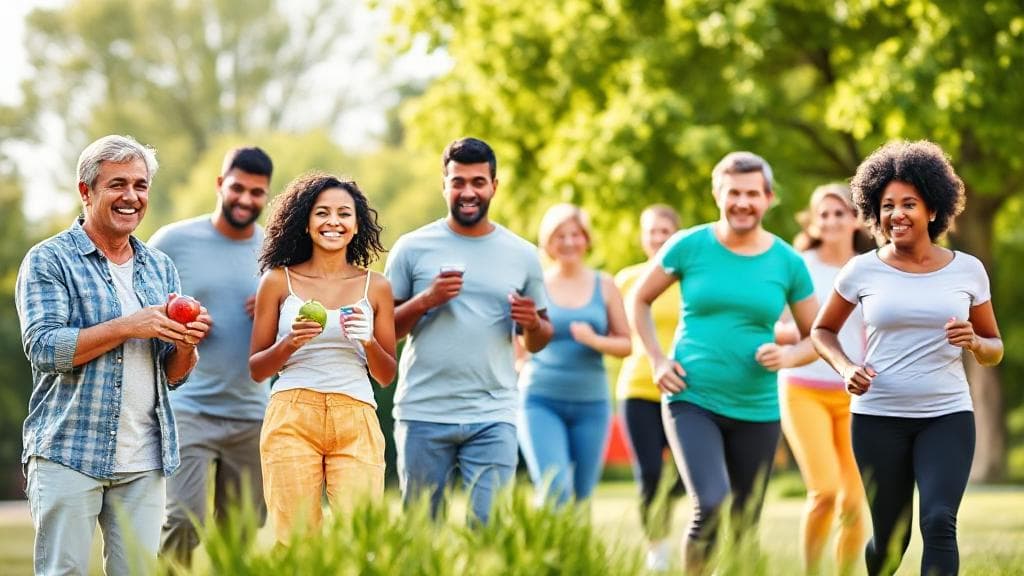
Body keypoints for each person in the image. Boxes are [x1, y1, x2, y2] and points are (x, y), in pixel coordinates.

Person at [15, 134, 211, 575]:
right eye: (117, 184)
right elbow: (45, 348)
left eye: (140, 186)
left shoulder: (160, 266)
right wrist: (128, 326)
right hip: (68, 450)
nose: (131, 197)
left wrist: (186, 344)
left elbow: (173, 375)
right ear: (86, 192)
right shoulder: (49, 260)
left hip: (144, 457)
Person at [811, 141, 1003, 576]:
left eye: (908, 203)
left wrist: (974, 341)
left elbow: (995, 348)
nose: (896, 214)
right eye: (887, 205)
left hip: (946, 415)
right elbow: (821, 331)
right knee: (890, 539)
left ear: (933, 210)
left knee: (938, 522)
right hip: (878, 416)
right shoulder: (861, 270)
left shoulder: (968, 270)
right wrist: (846, 368)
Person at [631, 151, 819, 575]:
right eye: (733, 192)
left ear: (769, 198)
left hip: (758, 406)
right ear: (718, 194)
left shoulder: (787, 261)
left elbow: (819, 335)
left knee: (745, 521)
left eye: (752, 193)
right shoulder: (689, 245)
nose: (742, 202)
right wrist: (658, 360)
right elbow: (639, 299)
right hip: (692, 396)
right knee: (711, 502)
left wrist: (789, 355)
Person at [384, 137, 554, 525]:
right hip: (424, 411)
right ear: (443, 185)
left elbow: (541, 338)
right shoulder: (411, 248)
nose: (468, 192)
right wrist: (426, 300)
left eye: (478, 182)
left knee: (489, 528)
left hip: (494, 411)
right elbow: (385, 333)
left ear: (494, 185)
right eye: (458, 181)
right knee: (422, 531)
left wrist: (530, 323)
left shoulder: (523, 254)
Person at [248, 172, 396, 544]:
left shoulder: (375, 287)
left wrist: (367, 342)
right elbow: (256, 368)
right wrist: (290, 344)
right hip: (292, 414)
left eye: (344, 214)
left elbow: (386, 375)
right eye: (322, 213)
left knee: (360, 538)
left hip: (356, 416)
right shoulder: (278, 281)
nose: (333, 222)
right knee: (295, 540)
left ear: (357, 224)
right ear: (305, 222)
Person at [150, 146, 274, 564]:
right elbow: (140, 308)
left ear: (266, 195)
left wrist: (278, 304)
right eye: (238, 187)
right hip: (188, 406)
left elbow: (304, 319)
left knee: (242, 530)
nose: (245, 199)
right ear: (221, 184)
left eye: (257, 192)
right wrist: (180, 327)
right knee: (182, 518)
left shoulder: (278, 253)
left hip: (252, 410)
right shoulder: (173, 240)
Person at [776, 184, 874, 575]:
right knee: (825, 491)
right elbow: (780, 323)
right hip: (803, 389)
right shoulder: (799, 265)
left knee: (853, 501)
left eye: (839, 213)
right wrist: (789, 336)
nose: (831, 221)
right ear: (813, 221)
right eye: (824, 214)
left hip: (855, 396)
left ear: (855, 219)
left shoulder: (872, 267)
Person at [516, 203, 631, 508]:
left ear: (586, 239)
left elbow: (626, 345)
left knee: (581, 496)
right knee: (556, 490)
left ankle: (573, 554)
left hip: (591, 403)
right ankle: (544, 549)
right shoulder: (535, 283)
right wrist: (520, 362)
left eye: (575, 234)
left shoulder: (605, 285)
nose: (568, 242)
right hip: (540, 399)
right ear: (548, 242)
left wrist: (595, 340)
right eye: (559, 235)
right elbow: (516, 334)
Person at [613, 204, 686, 571]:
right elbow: (612, 328)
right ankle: (656, 549)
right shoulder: (626, 279)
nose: (658, 238)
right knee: (649, 474)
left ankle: (669, 510)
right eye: (651, 232)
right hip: (637, 388)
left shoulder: (689, 278)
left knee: (686, 475)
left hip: (684, 389)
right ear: (642, 237)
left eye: (665, 231)